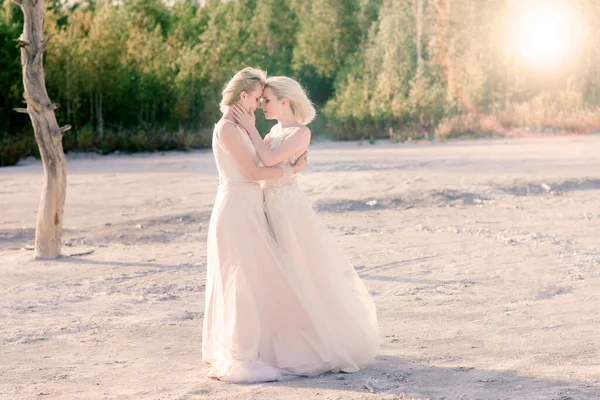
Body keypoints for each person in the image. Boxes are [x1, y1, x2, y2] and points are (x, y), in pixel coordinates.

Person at [231, 76, 380, 374]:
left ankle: (316, 340)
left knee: (297, 268)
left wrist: (250, 130)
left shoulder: (301, 132)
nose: (261, 106)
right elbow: (266, 166)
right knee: (276, 273)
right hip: (267, 203)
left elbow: (270, 157)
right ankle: (280, 338)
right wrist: (291, 168)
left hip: (287, 208)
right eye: (260, 101)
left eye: (267, 100)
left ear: (285, 101)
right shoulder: (274, 130)